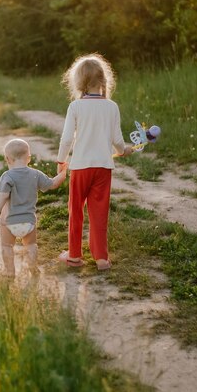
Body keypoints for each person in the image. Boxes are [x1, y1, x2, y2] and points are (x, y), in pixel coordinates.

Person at [56, 53, 132, 270]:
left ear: (79, 83)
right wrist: (123, 150)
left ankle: (74, 256)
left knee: (76, 211)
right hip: (103, 168)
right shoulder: (111, 107)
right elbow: (118, 140)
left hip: (80, 168)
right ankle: (101, 258)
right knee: (99, 213)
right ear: (104, 81)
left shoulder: (76, 107)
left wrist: (61, 160)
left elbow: (67, 139)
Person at [0, 138, 67, 277]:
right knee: (31, 246)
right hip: (28, 221)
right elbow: (53, 184)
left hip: (9, 221)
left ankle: (10, 272)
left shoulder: (7, 176)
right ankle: (33, 269)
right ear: (29, 158)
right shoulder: (35, 174)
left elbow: (3, 197)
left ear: (7, 159)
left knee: (7, 246)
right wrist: (63, 173)